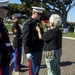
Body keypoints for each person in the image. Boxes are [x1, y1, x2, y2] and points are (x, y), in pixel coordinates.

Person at [22, 7, 45, 75]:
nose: (40, 16)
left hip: (39, 48)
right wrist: (27, 51)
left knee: (37, 67)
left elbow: (41, 35)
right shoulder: (28, 24)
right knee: (32, 69)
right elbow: (25, 38)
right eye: (38, 14)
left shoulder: (40, 23)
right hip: (32, 49)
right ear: (33, 13)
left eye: (41, 14)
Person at [0, 0, 12, 75]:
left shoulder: (1, 22)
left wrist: (11, 50)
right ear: (0, 9)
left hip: (4, 58)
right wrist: (8, 54)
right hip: (2, 58)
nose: (7, 12)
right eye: (6, 10)